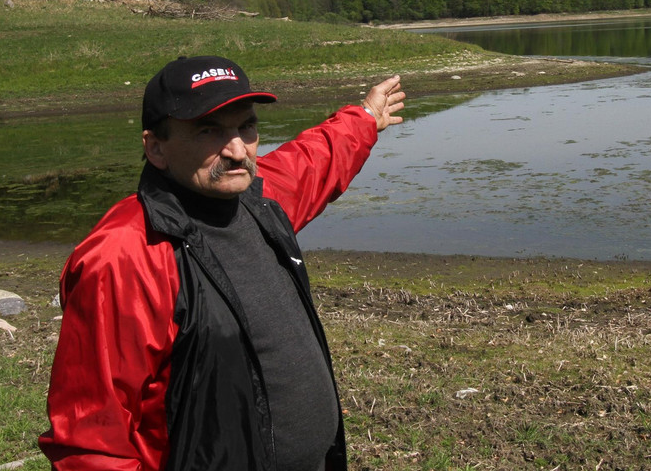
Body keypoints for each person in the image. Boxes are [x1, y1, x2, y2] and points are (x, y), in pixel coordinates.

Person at [38, 55, 405, 471]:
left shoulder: (258, 200)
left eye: (245, 126)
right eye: (208, 131)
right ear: (155, 147)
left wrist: (365, 117)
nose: (236, 151)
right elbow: (92, 440)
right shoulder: (124, 255)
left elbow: (311, 161)